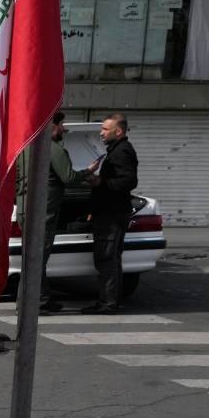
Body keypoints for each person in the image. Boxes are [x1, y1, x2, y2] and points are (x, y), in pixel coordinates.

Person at [15, 111, 77, 313]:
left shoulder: (24, 148)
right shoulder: (52, 149)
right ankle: (36, 302)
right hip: (44, 212)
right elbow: (69, 178)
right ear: (52, 126)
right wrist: (89, 173)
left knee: (31, 258)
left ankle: (36, 299)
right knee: (38, 259)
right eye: (61, 125)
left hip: (26, 209)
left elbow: (16, 180)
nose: (63, 129)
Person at [82, 111, 138, 314]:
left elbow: (129, 181)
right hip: (109, 212)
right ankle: (110, 301)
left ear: (119, 131)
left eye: (105, 129)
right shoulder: (116, 150)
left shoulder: (122, 151)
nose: (101, 133)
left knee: (107, 259)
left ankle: (107, 303)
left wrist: (100, 182)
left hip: (112, 215)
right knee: (111, 259)